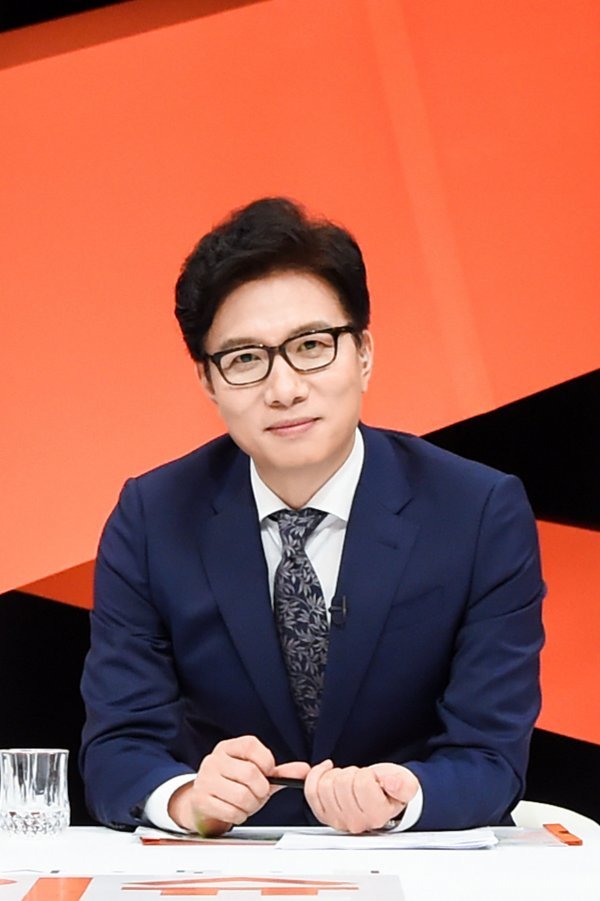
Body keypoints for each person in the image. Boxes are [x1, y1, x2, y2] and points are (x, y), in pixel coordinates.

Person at [80, 197, 545, 836]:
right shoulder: (152, 519)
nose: (285, 389)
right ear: (208, 382)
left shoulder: (478, 512)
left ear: (364, 354)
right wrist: (188, 799)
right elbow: (117, 749)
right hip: (227, 863)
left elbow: (491, 756)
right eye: (245, 359)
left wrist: (403, 797)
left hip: (412, 863)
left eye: (311, 346)